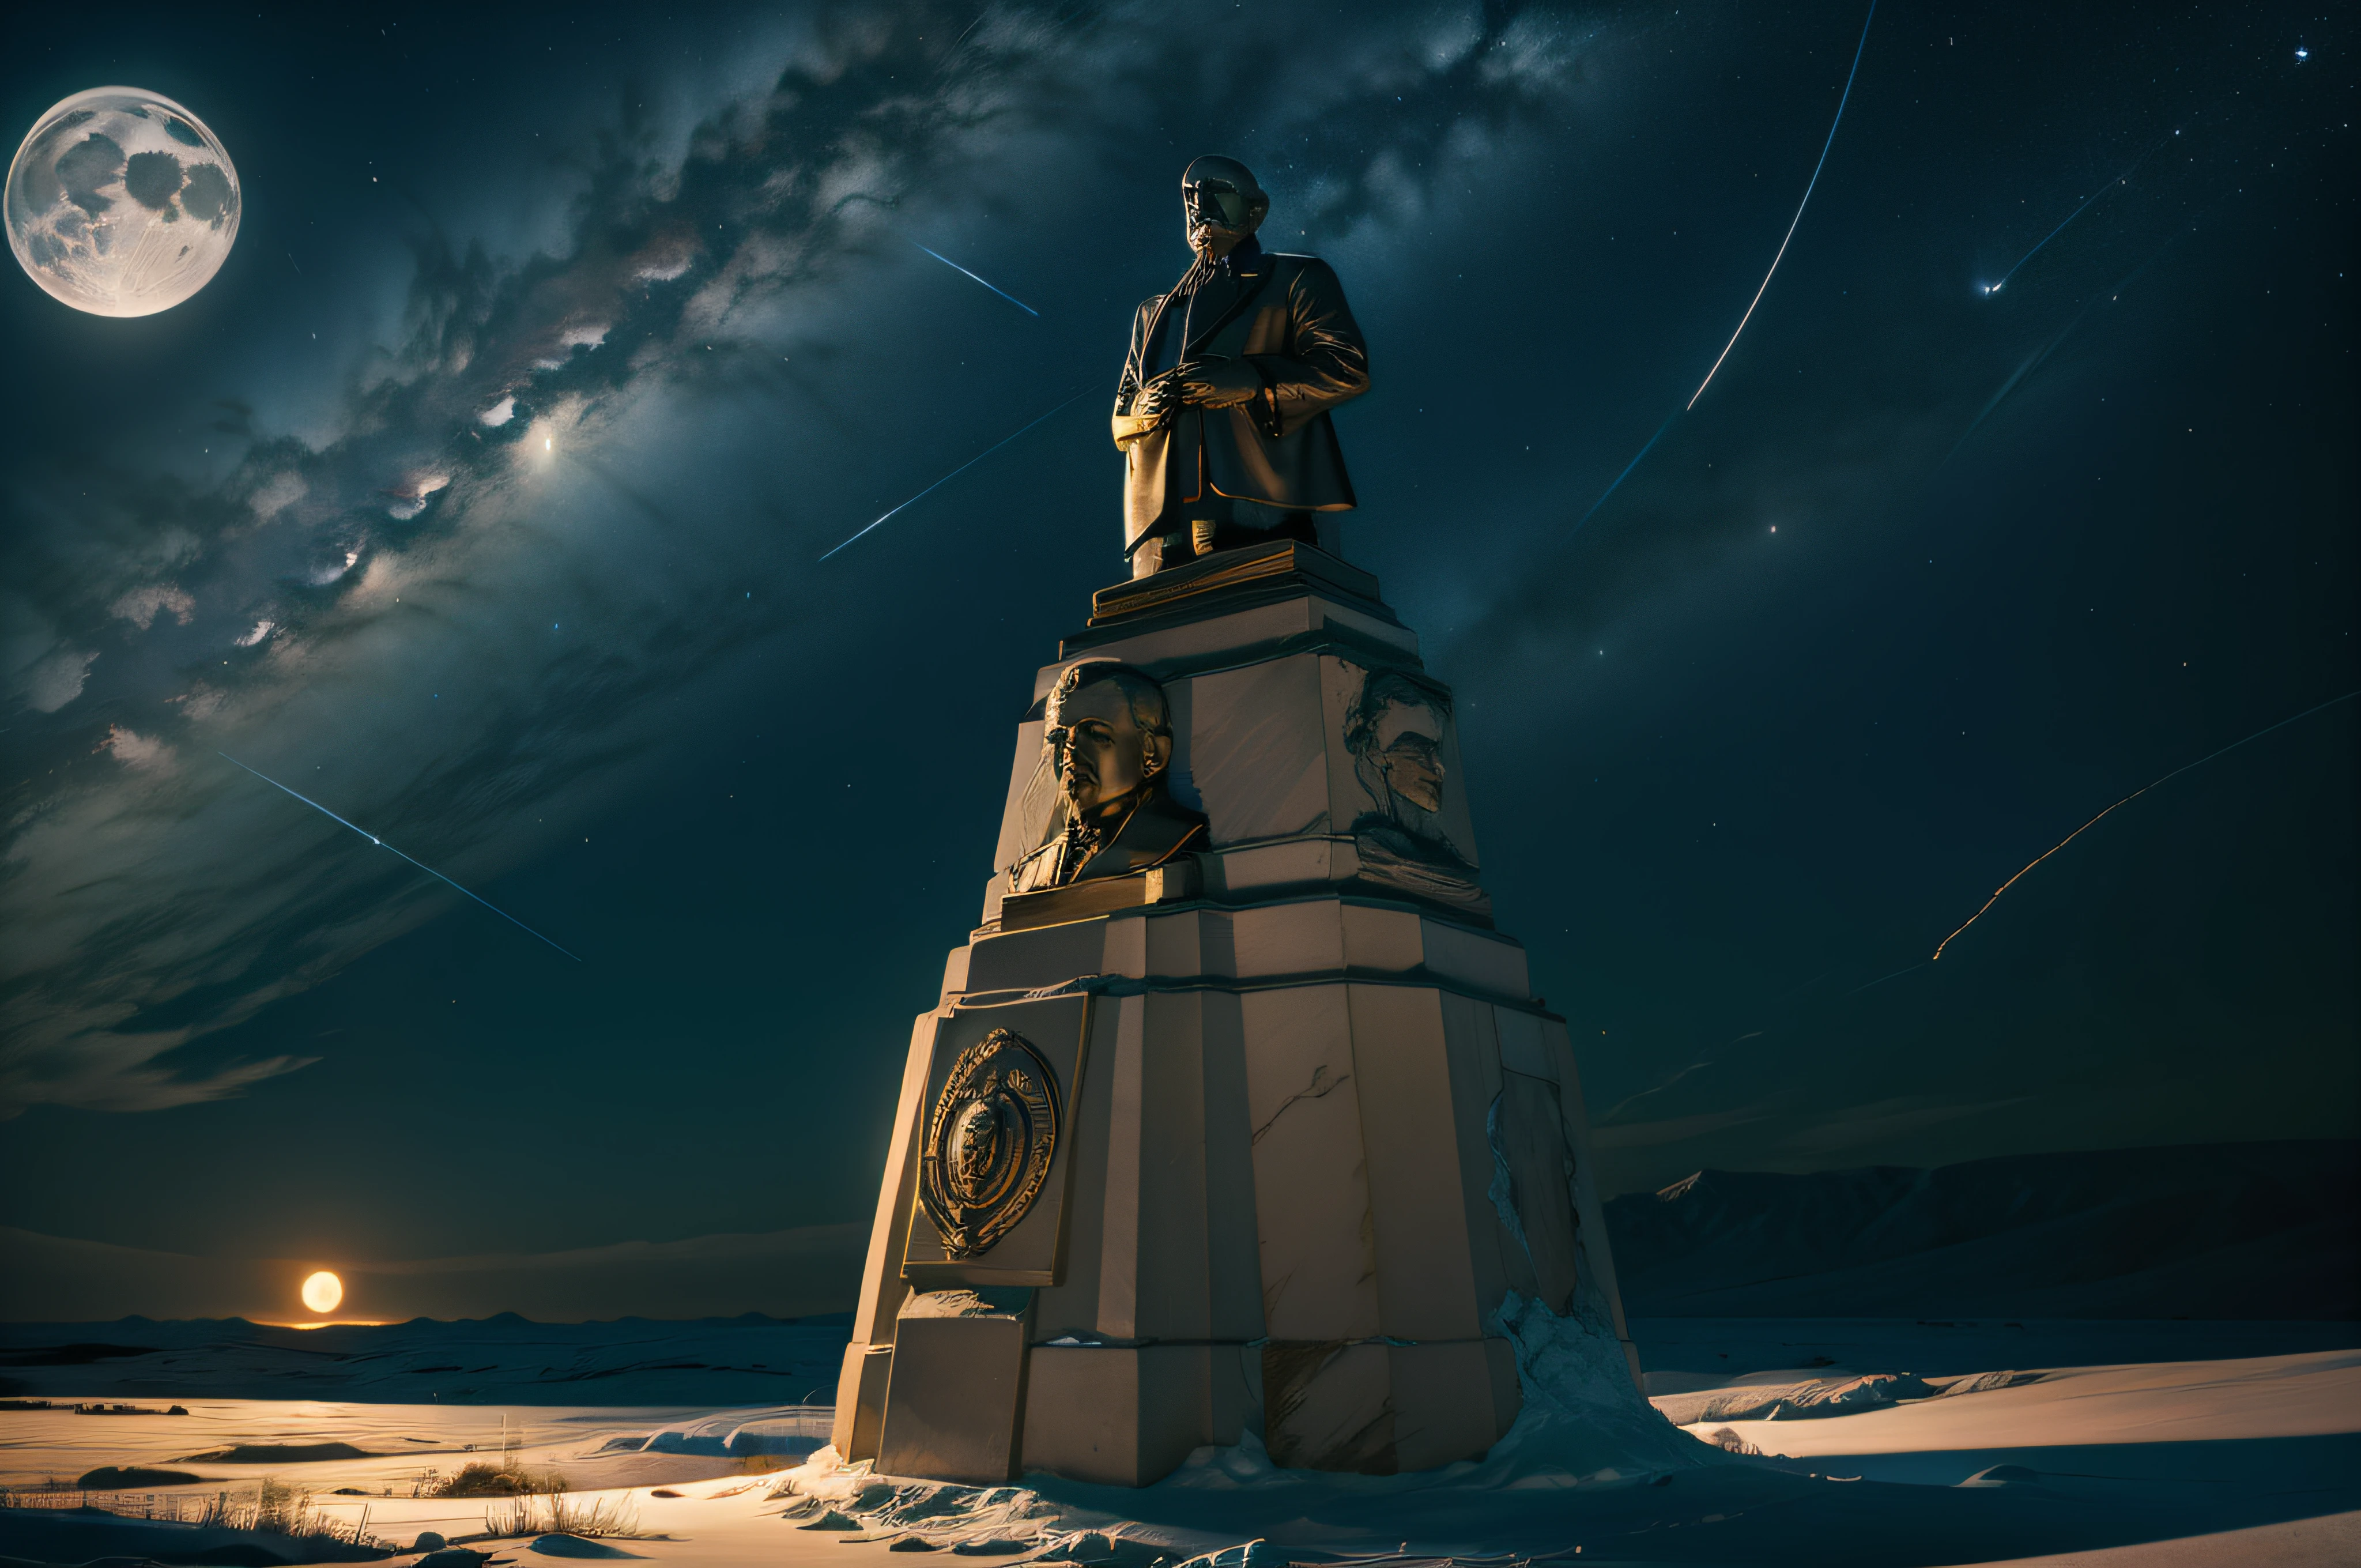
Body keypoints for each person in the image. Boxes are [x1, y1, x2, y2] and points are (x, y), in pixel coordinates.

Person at [1111, 156, 1371, 576]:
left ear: (1256, 210)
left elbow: (1346, 368)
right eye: (1191, 197)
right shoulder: (1154, 313)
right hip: (1163, 533)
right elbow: (1121, 417)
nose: (1199, 206)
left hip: (1262, 512)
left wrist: (1251, 381)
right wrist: (1142, 412)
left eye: (1214, 192)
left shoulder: (1297, 279)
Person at [1006, 662, 1208, 893]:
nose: (1070, 752)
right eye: (1061, 738)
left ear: (1153, 754)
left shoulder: (1179, 845)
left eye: (1096, 734)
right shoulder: (1028, 873)